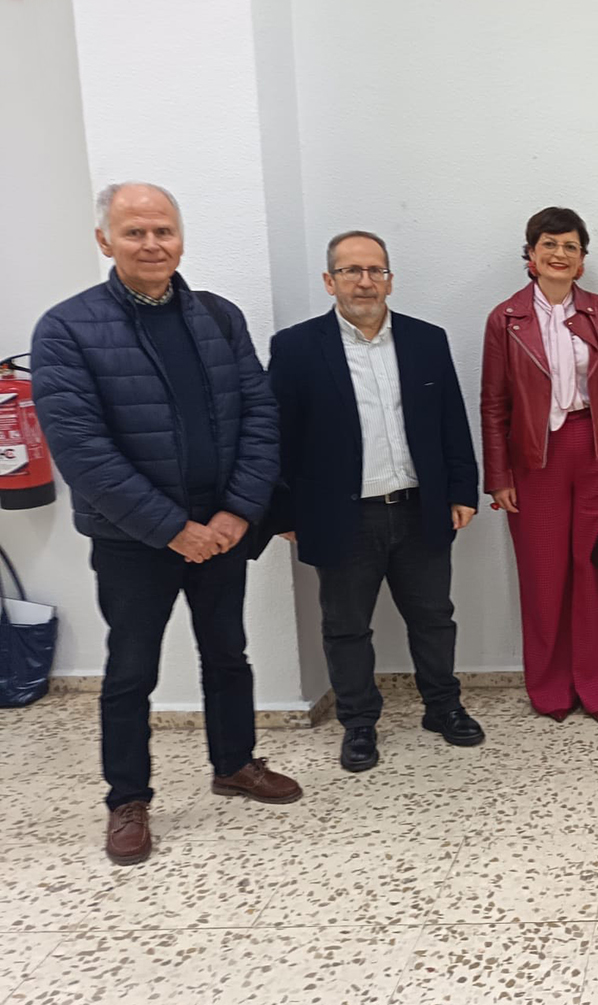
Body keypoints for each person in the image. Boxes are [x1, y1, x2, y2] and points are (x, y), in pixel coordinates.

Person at [30, 182, 301, 866]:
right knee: (131, 670)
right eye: (134, 232)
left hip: (223, 529)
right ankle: (127, 798)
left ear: (180, 238)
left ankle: (234, 763)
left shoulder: (218, 316)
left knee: (228, 653)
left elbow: (259, 414)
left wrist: (237, 511)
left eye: (163, 231)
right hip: (133, 540)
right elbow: (82, 452)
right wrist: (172, 528)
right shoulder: (66, 329)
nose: (151, 244)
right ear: (105, 241)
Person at [268, 230, 484, 772]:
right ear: (329, 281)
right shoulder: (296, 348)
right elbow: (277, 436)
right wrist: (285, 511)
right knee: (346, 627)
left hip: (419, 507)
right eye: (351, 271)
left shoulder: (426, 340)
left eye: (375, 271)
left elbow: (452, 422)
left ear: (390, 279)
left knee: (434, 618)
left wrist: (462, 490)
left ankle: (443, 706)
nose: (364, 281)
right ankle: (359, 723)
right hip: (341, 515)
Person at [480, 207, 598, 720]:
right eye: (549, 244)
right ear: (531, 254)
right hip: (534, 462)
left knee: (596, 572)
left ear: (581, 261)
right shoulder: (505, 319)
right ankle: (550, 688)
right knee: (543, 575)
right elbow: (494, 404)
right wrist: (498, 476)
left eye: (570, 247)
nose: (559, 254)